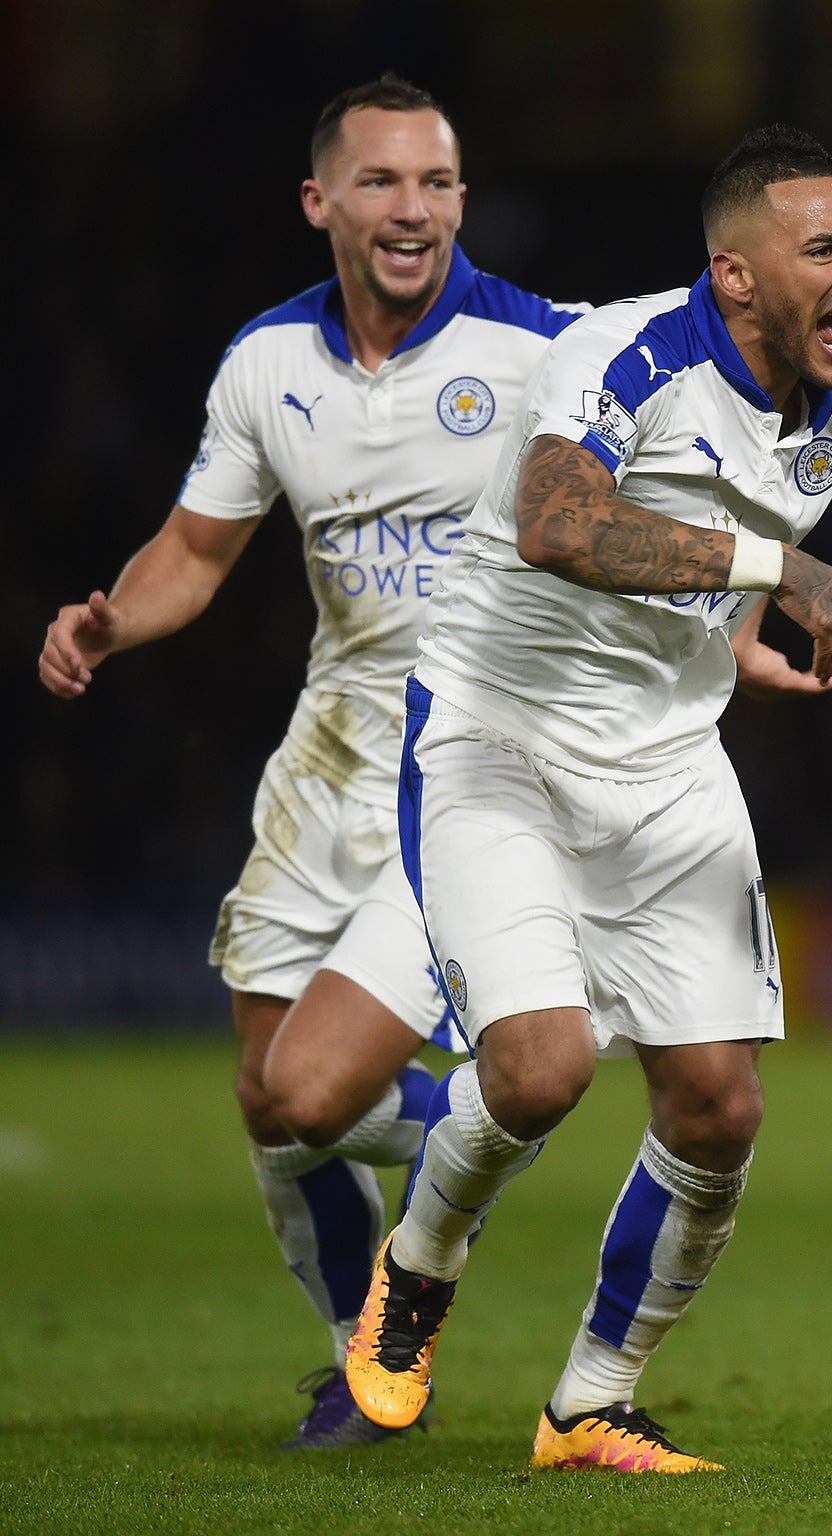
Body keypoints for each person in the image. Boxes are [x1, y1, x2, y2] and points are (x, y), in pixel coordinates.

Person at [341, 124, 832, 1476]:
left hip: (671, 760)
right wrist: (774, 567)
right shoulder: (627, 362)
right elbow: (554, 523)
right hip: (498, 741)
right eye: (826, 250)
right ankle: (423, 1262)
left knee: (718, 1112)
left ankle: (589, 1404)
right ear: (735, 277)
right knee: (540, 1068)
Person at [39, 76, 603, 1450]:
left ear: (461, 200)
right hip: (331, 750)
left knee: (316, 1087)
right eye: (383, 182)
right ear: (323, 203)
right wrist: (112, 620)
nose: (414, 209)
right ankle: (367, 1354)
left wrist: (744, 611)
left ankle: (471, 1163)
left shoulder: (543, 350)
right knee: (268, 1093)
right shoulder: (265, 366)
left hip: (475, 754)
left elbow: (659, 492)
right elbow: (195, 550)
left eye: (437, 183)